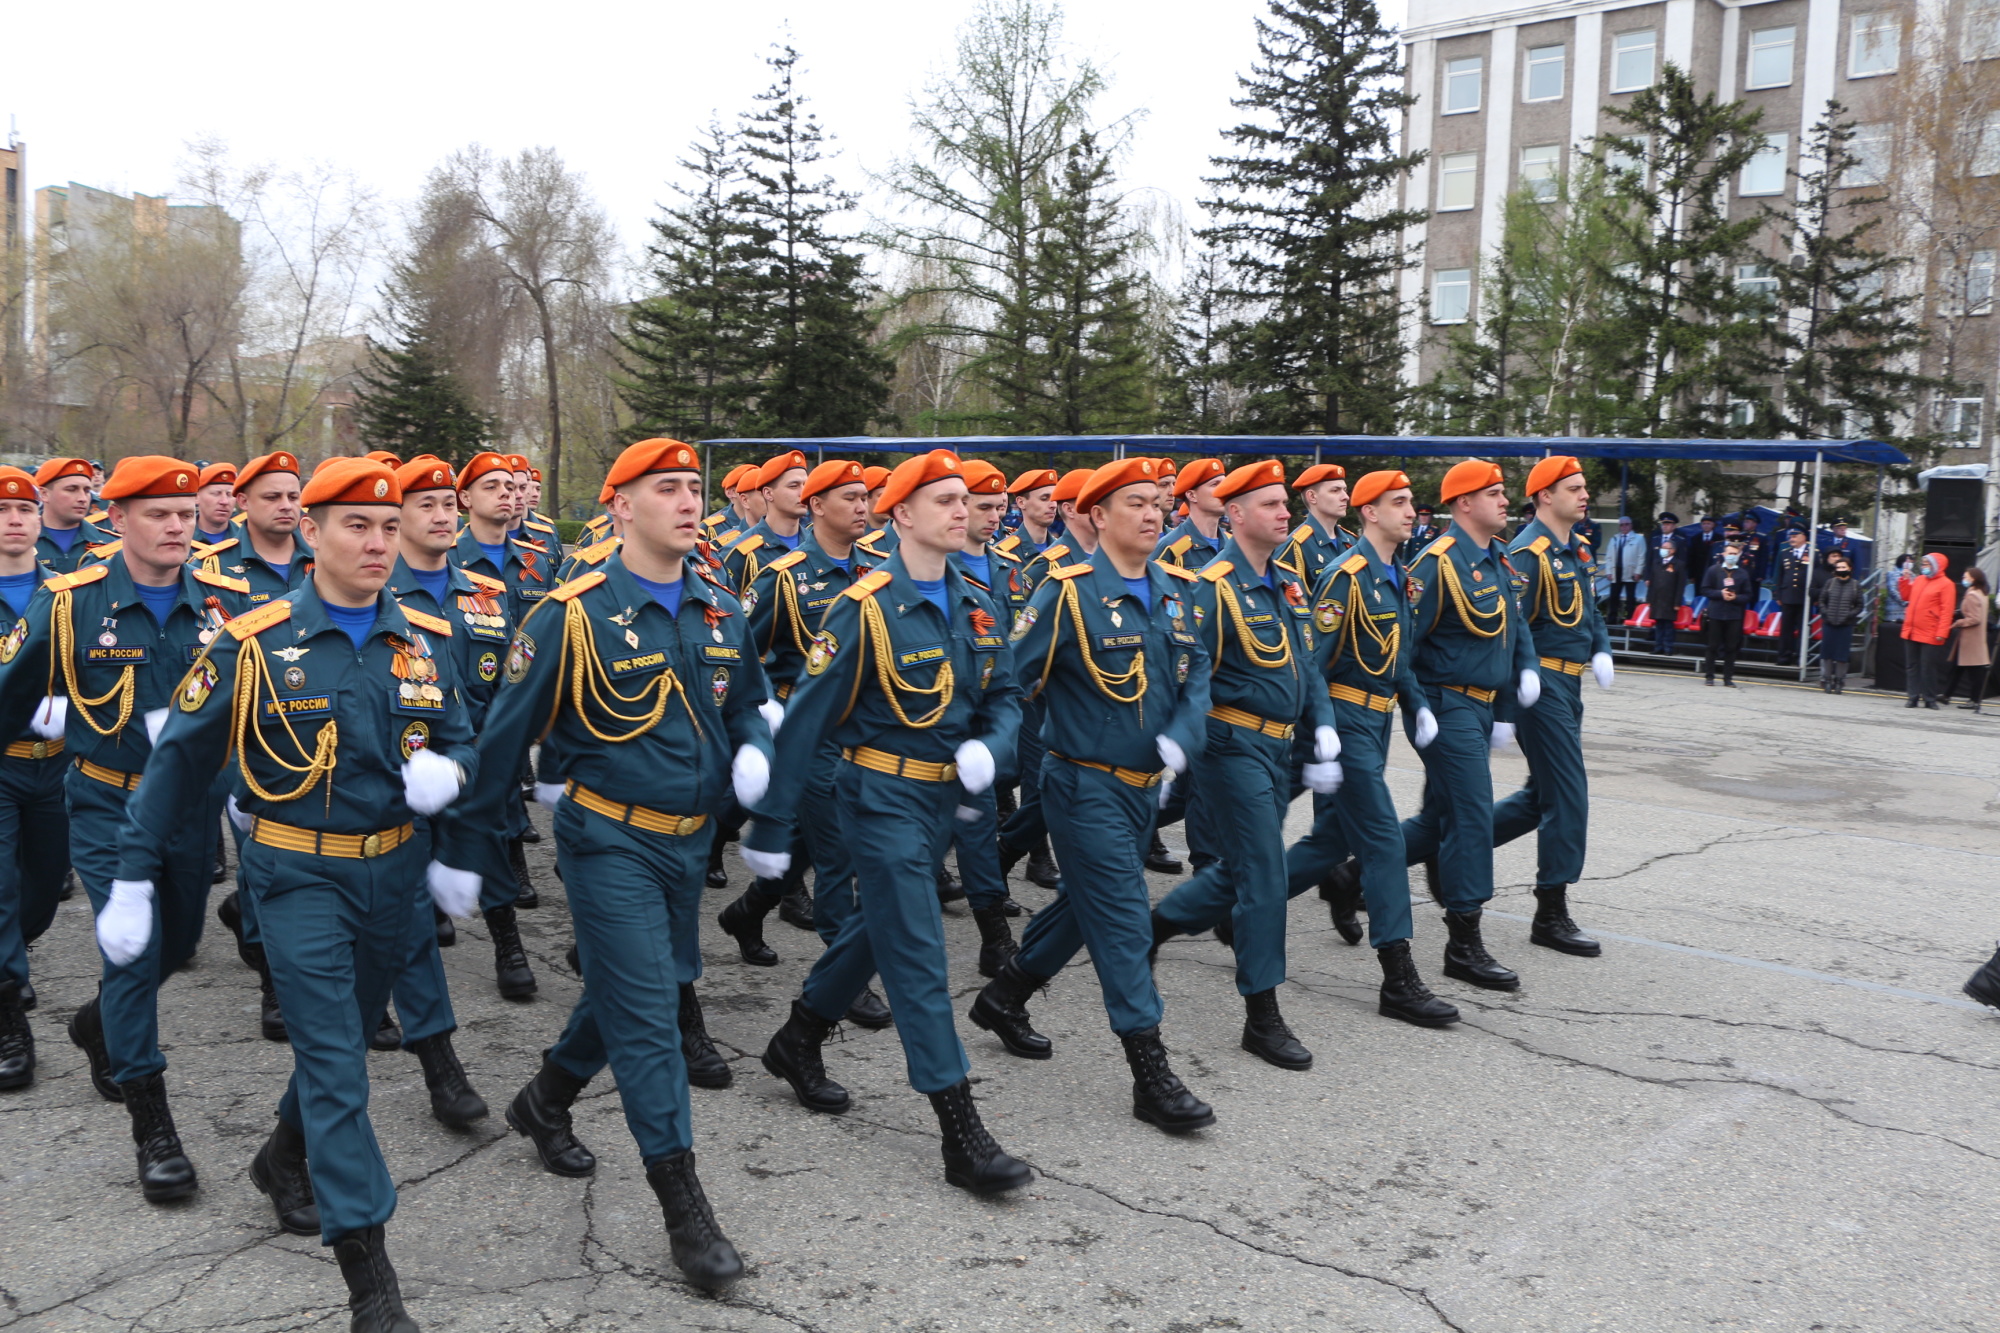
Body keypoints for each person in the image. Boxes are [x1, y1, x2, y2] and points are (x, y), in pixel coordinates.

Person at [110, 457, 480, 1325]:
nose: (379, 542)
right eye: (357, 524)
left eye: (391, 527)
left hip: (393, 874)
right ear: (309, 532)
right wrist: (131, 876)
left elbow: (466, 738)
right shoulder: (251, 640)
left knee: (344, 1036)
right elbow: (175, 768)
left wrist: (449, 780)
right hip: (296, 870)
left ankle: (282, 1157)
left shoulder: (424, 636)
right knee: (336, 1064)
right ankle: (372, 1283)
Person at [449, 438, 765, 1289]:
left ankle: (544, 1099)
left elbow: (752, 701)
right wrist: (460, 852)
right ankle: (684, 1205)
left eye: (693, 488)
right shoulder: (570, 612)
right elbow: (502, 738)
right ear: (621, 505)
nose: (688, 501)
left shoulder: (718, 608)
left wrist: (759, 753)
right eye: (666, 489)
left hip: (688, 841)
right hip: (606, 837)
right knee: (651, 1017)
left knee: (637, 989)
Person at [743, 448, 1035, 1195]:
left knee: (881, 927)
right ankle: (960, 1131)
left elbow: (1005, 694)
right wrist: (774, 826)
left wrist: (990, 747)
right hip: (878, 798)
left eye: (963, 498)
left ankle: (799, 1036)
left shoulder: (977, 595)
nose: (961, 510)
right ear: (901, 513)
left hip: (943, 801)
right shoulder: (866, 604)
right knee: (916, 953)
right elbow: (806, 720)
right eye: (942, 500)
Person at [0, 457, 251, 1203]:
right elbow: (8, 696)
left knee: (175, 944)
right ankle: (155, 1127)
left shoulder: (226, 601)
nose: (177, 526)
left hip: (192, 811)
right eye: (158, 513)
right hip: (109, 804)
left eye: (184, 513)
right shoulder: (69, 603)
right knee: (136, 954)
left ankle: (97, 1023)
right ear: (117, 519)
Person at [970, 457, 1221, 1133]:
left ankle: (1006, 993)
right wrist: (975, 747)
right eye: (1134, 502)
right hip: (1083, 785)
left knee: (1088, 903)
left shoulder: (1176, 587)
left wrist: (1182, 733)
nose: (1150, 513)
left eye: (1157, 502)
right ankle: (1151, 1071)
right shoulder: (1068, 591)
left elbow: (1196, 678)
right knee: (1124, 919)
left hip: (1144, 789)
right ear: (1098, 515)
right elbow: (1007, 677)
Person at [1149, 460, 1340, 1070]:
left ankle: (1158, 925)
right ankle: (1263, 1014)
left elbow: (1306, 665)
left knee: (1241, 870)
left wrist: (1324, 730)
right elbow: (1186, 674)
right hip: (1231, 746)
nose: (1286, 513)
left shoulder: (1284, 581)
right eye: (1271, 505)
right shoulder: (1212, 585)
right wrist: (1177, 744)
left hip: (1280, 744)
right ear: (1234, 514)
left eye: (1286, 504)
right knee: (1263, 875)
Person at [1274, 471, 1458, 1027]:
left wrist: (1417, 704)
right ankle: (1398, 978)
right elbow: (1313, 663)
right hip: (1346, 721)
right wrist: (1323, 729)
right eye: (1397, 503)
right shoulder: (1345, 577)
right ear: (1369, 513)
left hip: (1376, 723)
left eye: (1410, 502)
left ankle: (1225, 906)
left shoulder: (1395, 574)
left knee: (1330, 840)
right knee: (1381, 841)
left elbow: (1397, 657)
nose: (1410, 510)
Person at [1395, 460, 1540, 990]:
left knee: (1439, 820)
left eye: (1504, 492)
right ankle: (1463, 944)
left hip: (1481, 706)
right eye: (1494, 493)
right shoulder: (1437, 565)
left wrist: (1506, 706)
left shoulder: (1498, 558)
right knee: (1473, 815)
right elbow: (1403, 647)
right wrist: (1419, 710)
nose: (1505, 501)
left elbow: (1511, 629)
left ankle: (1350, 874)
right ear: (1463, 504)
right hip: (1445, 704)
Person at [1488, 456, 1607, 958]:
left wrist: (1600, 646)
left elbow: (1591, 608)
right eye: (1573, 488)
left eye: (1584, 487)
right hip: (1542, 688)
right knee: (1569, 794)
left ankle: (1402, 855)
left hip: (1571, 683)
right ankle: (1550, 910)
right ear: (1543, 497)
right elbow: (1513, 628)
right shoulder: (1528, 554)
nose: (1584, 496)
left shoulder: (1575, 549)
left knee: (1539, 800)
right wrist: (1512, 699)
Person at [0, 468, 66, 1090]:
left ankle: (9, 958)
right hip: (0, 761)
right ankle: (8, 1018)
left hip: (59, 767)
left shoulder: (69, 592)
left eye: (25, 510)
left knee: (43, 892)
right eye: (2, 510)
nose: (15, 520)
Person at [1276, 462, 1354, 585]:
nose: (1345, 497)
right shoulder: (1295, 547)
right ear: (1312, 496)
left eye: (1345, 490)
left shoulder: (1350, 541)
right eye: (1335, 490)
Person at [33, 458, 112, 574]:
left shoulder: (109, 543)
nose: (83, 498)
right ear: (44, 494)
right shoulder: (21, 542)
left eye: (86, 491)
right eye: (71, 489)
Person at [1900, 554, 1955, 709]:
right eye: (1923, 563)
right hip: (1911, 629)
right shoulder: (1919, 580)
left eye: (1927, 564)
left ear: (1936, 566)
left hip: (1930, 631)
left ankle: (1929, 698)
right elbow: (1906, 596)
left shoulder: (1946, 584)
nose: (1924, 566)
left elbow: (1947, 611)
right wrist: (1904, 580)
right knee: (1912, 666)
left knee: (1928, 667)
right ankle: (1913, 697)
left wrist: (1942, 632)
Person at [1153, 457, 1226, 572]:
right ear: (1192, 496)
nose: (1224, 490)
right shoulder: (1170, 547)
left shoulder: (1233, 544)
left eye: (1224, 483)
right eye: (1215, 484)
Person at [1699, 540, 1754, 687]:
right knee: (1712, 646)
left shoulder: (1743, 573)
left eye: (1735, 554)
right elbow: (1705, 589)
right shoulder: (1713, 570)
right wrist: (1719, 593)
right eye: (1730, 553)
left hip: (1734, 615)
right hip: (1716, 613)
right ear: (1724, 554)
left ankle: (1728, 678)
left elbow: (1748, 595)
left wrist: (1736, 598)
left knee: (1731, 647)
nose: (1732, 556)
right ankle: (1709, 676)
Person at [1816, 557, 1863, 693]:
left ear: (1849, 568)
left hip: (1845, 625)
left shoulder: (1855, 585)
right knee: (1827, 654)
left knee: (1842, 655)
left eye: (1843, 567)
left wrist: (1849, 615)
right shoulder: (1830, 583)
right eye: (1838, 568)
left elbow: (1860, 606)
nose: (1841, 570)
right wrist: (1826, 613)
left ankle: (1839, 680)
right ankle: (1827, 680)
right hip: (1829, 623)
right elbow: (1822, 600)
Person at [1947, 567, 1991, 710]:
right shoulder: (1982, 593)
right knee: (1959, 668)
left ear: (1973, 578)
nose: (1963, 579)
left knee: (1973, 672)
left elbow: (1974, 618)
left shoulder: (1972, 595)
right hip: (1975, 638)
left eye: (1965, 577)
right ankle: (1947, 695)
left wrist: (1959, 622)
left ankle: (1974, 700)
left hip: (1970, 639)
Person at [1644, 516, 1686, 655]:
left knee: (1668, 626)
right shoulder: (1657, 562)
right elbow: (1653, 582)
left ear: (1673, 550)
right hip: (1657, 599)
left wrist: (1677, 602)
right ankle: (1658, 647)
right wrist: (1650, 599)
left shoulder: (1679, 564)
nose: (1663, 549)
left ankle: (1668, 648)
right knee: (1658, 625)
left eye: (1666, 548)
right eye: (1662, 547)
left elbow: (1680, 585)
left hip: (1670, 599)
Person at [1773, 528, 1814, 662]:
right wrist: (1777, 594)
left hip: (1804, 597)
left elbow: (1817, 575)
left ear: (1804, 537)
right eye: (1790, 536)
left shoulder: (1813, 553)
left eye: (1795, 536)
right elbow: (1778, 574)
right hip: (1788, 595)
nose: (1791, 539)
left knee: (1803, 628)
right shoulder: (1785, 553)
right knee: (1786, 628)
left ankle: (1801, 656)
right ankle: (1784, 655)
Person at [1000, 468, 1058, 556]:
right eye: (1044, 498)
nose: (1053, 505)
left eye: (1055, 498)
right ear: (1021, 502)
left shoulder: (1063, 550)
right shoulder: (1002, 553)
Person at [1604, 515, 1644, 625]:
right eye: (1621, 525)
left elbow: (1641, 556)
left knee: (1630, 598)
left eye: (1626, 524)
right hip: (1616, 571)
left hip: (1631, 572)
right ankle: (1612, 620)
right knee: (1613, 597)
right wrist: (1608, 571)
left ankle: (1630, 619)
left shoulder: (1639, 538)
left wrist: (1638, 572)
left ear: (1631, 525)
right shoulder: (1614, 539)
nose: (1624, 527)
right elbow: (1608, 557)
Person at [192, 463, 238, 549]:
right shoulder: (182, 537)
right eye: (216, 494)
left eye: (229, 494)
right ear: (197, 497)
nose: (224, 501)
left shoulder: (248, 538)